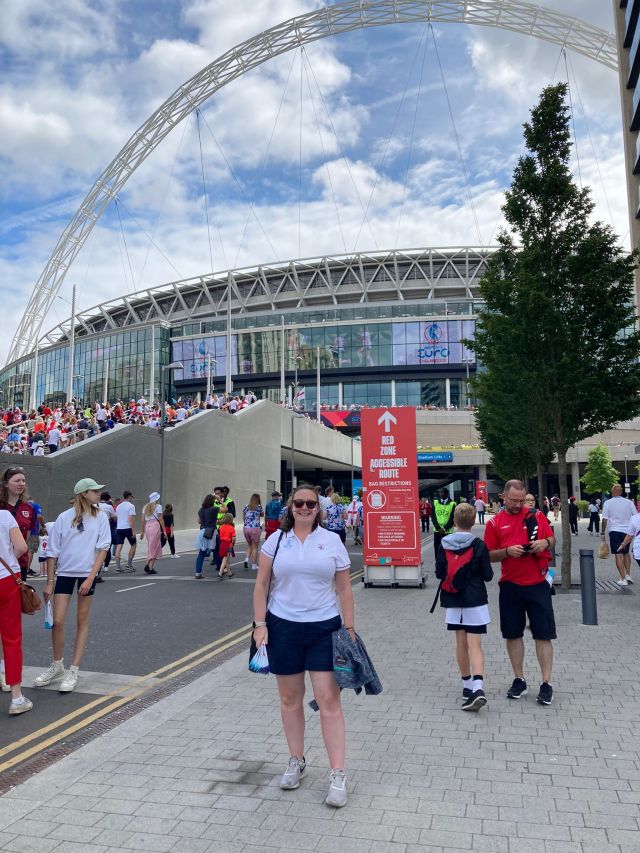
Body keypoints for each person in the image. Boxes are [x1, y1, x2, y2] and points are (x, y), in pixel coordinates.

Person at [253, 484, 354, 808]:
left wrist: (349, 628)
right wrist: (260, 625)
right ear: (290, 507)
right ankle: (296, 760)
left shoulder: (332, 540)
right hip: (282, 626)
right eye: (299, 502)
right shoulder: (276, 541)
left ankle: (338, 773)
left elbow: (344, 589)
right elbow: (261, 584)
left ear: (318, 508)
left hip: (324, 627)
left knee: (328, 699)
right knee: (289, 698)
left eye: (311, 503)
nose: (305, 507)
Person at [35, 478, 111, 694]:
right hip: (65, 574)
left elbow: (103, 549)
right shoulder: (63, 517)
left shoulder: (101, 517)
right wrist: (49, 582)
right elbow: (52, 552)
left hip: (87, 574)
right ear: (83, 494)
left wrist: (91, 577)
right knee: (57, 621)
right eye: (94, 491)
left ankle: (73, 670)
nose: (98, 494)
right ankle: (57, 665)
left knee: (81, 621)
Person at [484, 479, 556, 706]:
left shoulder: (536, 516)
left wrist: (545, 542)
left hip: (537, 583)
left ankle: (546, 683)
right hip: (510, 585)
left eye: (521, 500)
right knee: (513, 633)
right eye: (513, 500)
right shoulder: (494, 522)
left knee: (543, 634)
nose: (518, 504)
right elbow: (488, 555)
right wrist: (506, 551)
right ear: (503, 497)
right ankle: (519, 679)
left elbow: (552, 539)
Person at [435, 502, 493, 712]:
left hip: (452, 599)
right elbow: (488, 575)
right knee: (474, 644)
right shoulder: (479, 544)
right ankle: (478, 686)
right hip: (475, 599)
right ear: (472, 521)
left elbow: (439, 572)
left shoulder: (444, 543)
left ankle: (466, 686)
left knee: (460, 642)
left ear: (455, 520)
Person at [0, 506, 32, 714]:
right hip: (5, 578)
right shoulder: (4, 515)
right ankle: (17, 698)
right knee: (11, 639)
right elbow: (21, 547)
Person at [0, 466, 37, 582]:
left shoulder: (29, 508)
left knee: (20, 598)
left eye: (23, 481)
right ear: (6, 484)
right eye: (17, 481)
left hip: (20, 563)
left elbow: (27, 534)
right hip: (1, 563)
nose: (21, 484)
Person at [601, 484, 636, 587]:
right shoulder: (629, 502)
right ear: (621, 492)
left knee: (618, 554)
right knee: (626, 553)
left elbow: (605, 519)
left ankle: (623, 578)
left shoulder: (608, 503)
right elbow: (635, 517)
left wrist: (602, 532)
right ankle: (628, 574)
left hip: (615, 531)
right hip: (627, 532)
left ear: (612, 493)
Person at [194, 494, 218, 579]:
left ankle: (198, 572)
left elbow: (199, 521)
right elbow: (225, 509)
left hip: (202, 531)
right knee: (216, 550)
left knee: (201, 553)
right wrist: (220, 500)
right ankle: (221, 569)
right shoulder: (214, 509)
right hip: (211, 531)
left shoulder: (201, 510)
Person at [140, 492, 163, 575]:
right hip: (155, 526)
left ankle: (148, 564)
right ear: (156, 498)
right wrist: (163, 530)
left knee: (150, 545)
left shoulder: (145, 507)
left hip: (147, 526)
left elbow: (142, 520)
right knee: (155, 546)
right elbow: (161, 519)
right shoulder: (158, 506)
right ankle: (150, 567)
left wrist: (142, 531)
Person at [114, 490, 137, 572]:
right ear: (130, 496)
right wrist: (134, 531)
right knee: (133, 545)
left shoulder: (118, 506)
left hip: (119, 528)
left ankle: (118, 567)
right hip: (128, 528)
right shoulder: (131, 506)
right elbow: (131, 519)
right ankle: (129, 564)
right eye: (132, 497)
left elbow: (117, 518)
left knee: (118, 547)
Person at [432, 488, 456, 560]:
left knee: (447, 550)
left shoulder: (453, 504)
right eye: (440, 493)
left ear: (447, 494)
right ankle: (438, 567)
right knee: (437, 549)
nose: (441, 494)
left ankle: (447, 567)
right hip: (437, 531)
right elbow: (433, 516)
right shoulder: (435, 502)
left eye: (442, 492)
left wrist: (445, 528)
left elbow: (452, 518)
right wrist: (438, 528)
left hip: (447, 531)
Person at [242, 494, 263, 571]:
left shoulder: (246, 506)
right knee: (255, 547)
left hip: (246, 528)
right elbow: (262, 514)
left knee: (249, 545)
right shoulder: (259, 507)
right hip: (255, 528)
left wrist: (245, 524)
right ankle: (254, 565)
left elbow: (244, 516)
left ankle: (246, 560)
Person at [217, 513, 236, 579]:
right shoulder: (231, 528)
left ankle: (229, 573)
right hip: (228, 544)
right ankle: (220, 573)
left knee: (226, 558)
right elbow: (233, 538)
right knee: (225, 559)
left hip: (222, 543)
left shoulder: (221, 527)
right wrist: (233, 543)